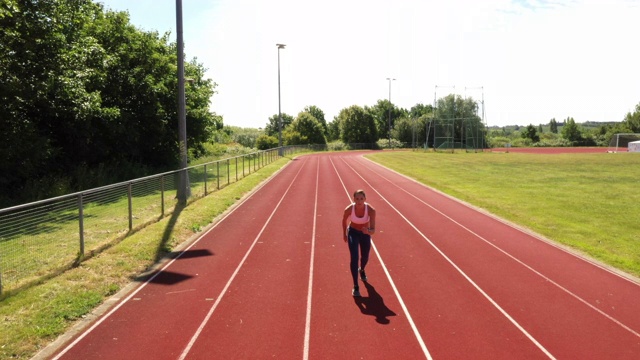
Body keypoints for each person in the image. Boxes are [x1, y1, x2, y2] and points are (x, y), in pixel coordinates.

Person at [342, 189, 376, 297]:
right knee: (354, 257)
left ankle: (362, 269)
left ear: (365, 199)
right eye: (357, 198)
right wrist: (344, 234)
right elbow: (343, 220)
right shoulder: (349, 209)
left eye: (361, 198)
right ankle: (356, 286)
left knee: (365, 257)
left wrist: (368, 231)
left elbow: (373, 230)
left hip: (365, 234)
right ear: (354, 199)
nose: (359, 201)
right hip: (353, 233)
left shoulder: (371, 210)